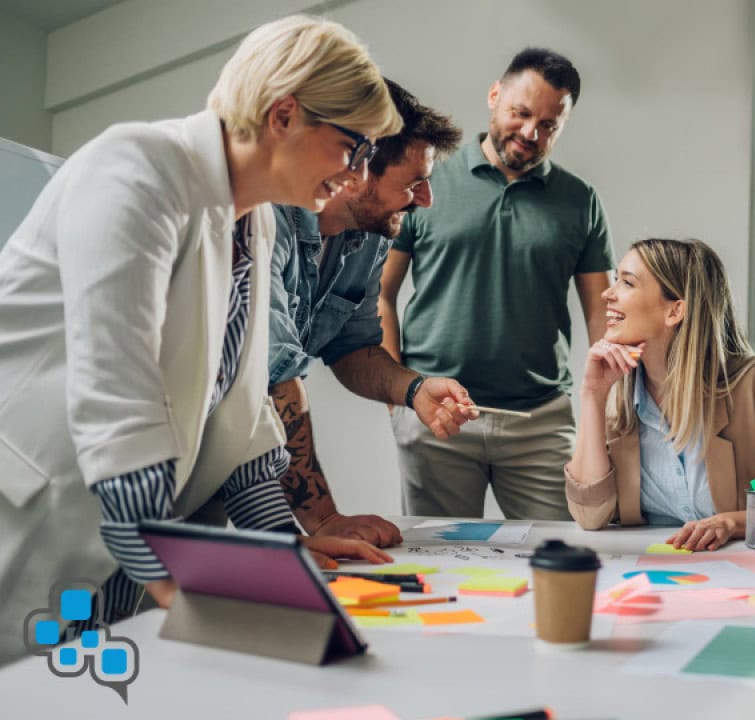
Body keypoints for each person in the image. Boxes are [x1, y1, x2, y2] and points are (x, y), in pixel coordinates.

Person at [0, 16, 398, 664]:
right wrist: (197, 581)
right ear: (285, 115)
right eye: (351, 147)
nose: (354, 176)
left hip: (119, 539)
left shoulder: (254, 223)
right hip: (37, 511)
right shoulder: (136, 167)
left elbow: (241, 422)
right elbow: (116, 396)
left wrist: (284, 554)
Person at [381, 48, 613, 521]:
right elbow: (379, 294)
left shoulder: (580, 201)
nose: (531, 133)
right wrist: (398, 397)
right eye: (521, 113)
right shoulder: (426, 181)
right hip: (437, 414)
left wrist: (604, 412)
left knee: (559, 558)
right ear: (494, 96)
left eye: (549, 125)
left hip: (541, 422)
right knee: (438, 569)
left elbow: (602, 317)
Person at [269, 79, 475, 548]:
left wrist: (414, 389)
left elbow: (354, 347)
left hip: (239, 462)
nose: (426, 200)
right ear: (357, 168)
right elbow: (275, 373)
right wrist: (323, 519)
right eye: (414, 183)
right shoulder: (267, 220)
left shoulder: (369, 236)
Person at [564, 238, 755, 551]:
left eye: (626, 283)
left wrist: (731, 523)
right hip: (648, 567)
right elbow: (589, 515)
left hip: (736, 570)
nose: (607, 294)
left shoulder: (752, 382)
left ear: (675, 310)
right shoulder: (615, 386)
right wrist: (592, 396)